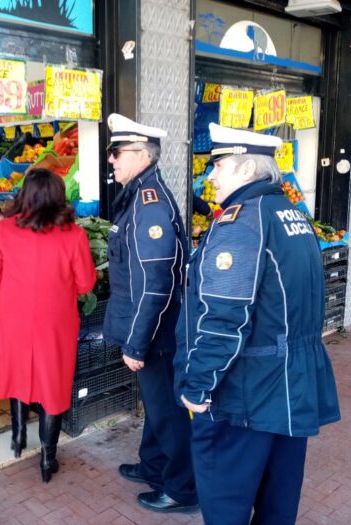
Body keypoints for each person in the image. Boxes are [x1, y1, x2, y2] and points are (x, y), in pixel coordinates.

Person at [175, 123, 341, 524]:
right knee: (277, 506)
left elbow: (223, 319)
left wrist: (198, 386)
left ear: (247, 169)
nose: (210, 175)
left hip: (244, 395)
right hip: (290, 387)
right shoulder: (291, 213)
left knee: (225, 505)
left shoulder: (241, 223)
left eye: (219, 164)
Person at [102, 113, 198, 513]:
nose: (111, 160)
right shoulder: (140, 196)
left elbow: (155, 284)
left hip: (156, 333)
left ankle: (182, 489)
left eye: (117, 152)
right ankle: (153, 465)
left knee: (167, 413)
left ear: (141, 155)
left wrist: (137, 343)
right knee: (156, 406)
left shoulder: (149, 206)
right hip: (150, 329)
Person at [0, 168, 96, 483]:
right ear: (59, 197)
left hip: (13, 319)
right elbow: (85, 283)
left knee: (19, 372)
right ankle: (47, 458)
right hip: (56, 322)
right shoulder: (75, 235)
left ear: (24, 196)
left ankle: (17, 439)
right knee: (52, 383)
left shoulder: (5, 230)